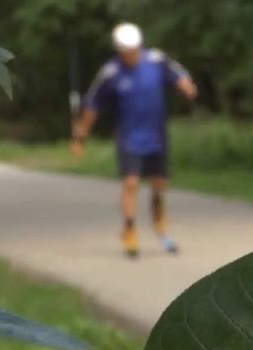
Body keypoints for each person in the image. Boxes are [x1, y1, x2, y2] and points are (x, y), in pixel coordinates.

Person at [71, 23, 197, 258]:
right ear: (120, 51)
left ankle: (160, 223)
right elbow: (91, 106)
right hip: (129, 136)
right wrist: (80, 138)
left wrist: (186, 87)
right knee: (131, 183)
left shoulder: (157, 61)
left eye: (135, 49)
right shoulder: (111, 72)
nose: (132, 55)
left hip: (157, 135)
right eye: (127, 51)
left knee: (159, 184)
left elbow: (179, 75)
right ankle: (129, 231)